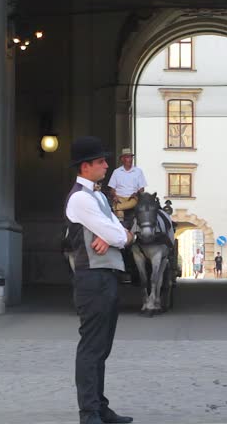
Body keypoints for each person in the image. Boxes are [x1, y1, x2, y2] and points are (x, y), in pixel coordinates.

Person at [64, 136, 135, 424]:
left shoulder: (100, 197)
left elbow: (124, 234)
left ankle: (100, 407)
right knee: (92, 347)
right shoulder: (81, 199)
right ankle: (89, 413)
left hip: (106, 276)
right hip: (91, 278)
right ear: (85, 167)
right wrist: (114, 237)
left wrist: (114, 237)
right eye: (101, 161)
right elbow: (120, 235)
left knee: (102, 347)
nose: (107, 165)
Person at [106, 148, 147, 223]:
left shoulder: (138, 171)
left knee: (132, 203)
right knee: (119, 213)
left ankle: (115, 207)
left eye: (131, 157)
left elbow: (142, 188)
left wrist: (136, 193)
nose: (130, 159)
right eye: (128, 157)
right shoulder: (116, 172)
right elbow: (112, 188)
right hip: (120, 197)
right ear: (122, 159)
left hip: (132, 198)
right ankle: (121, 229)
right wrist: (115, 196)